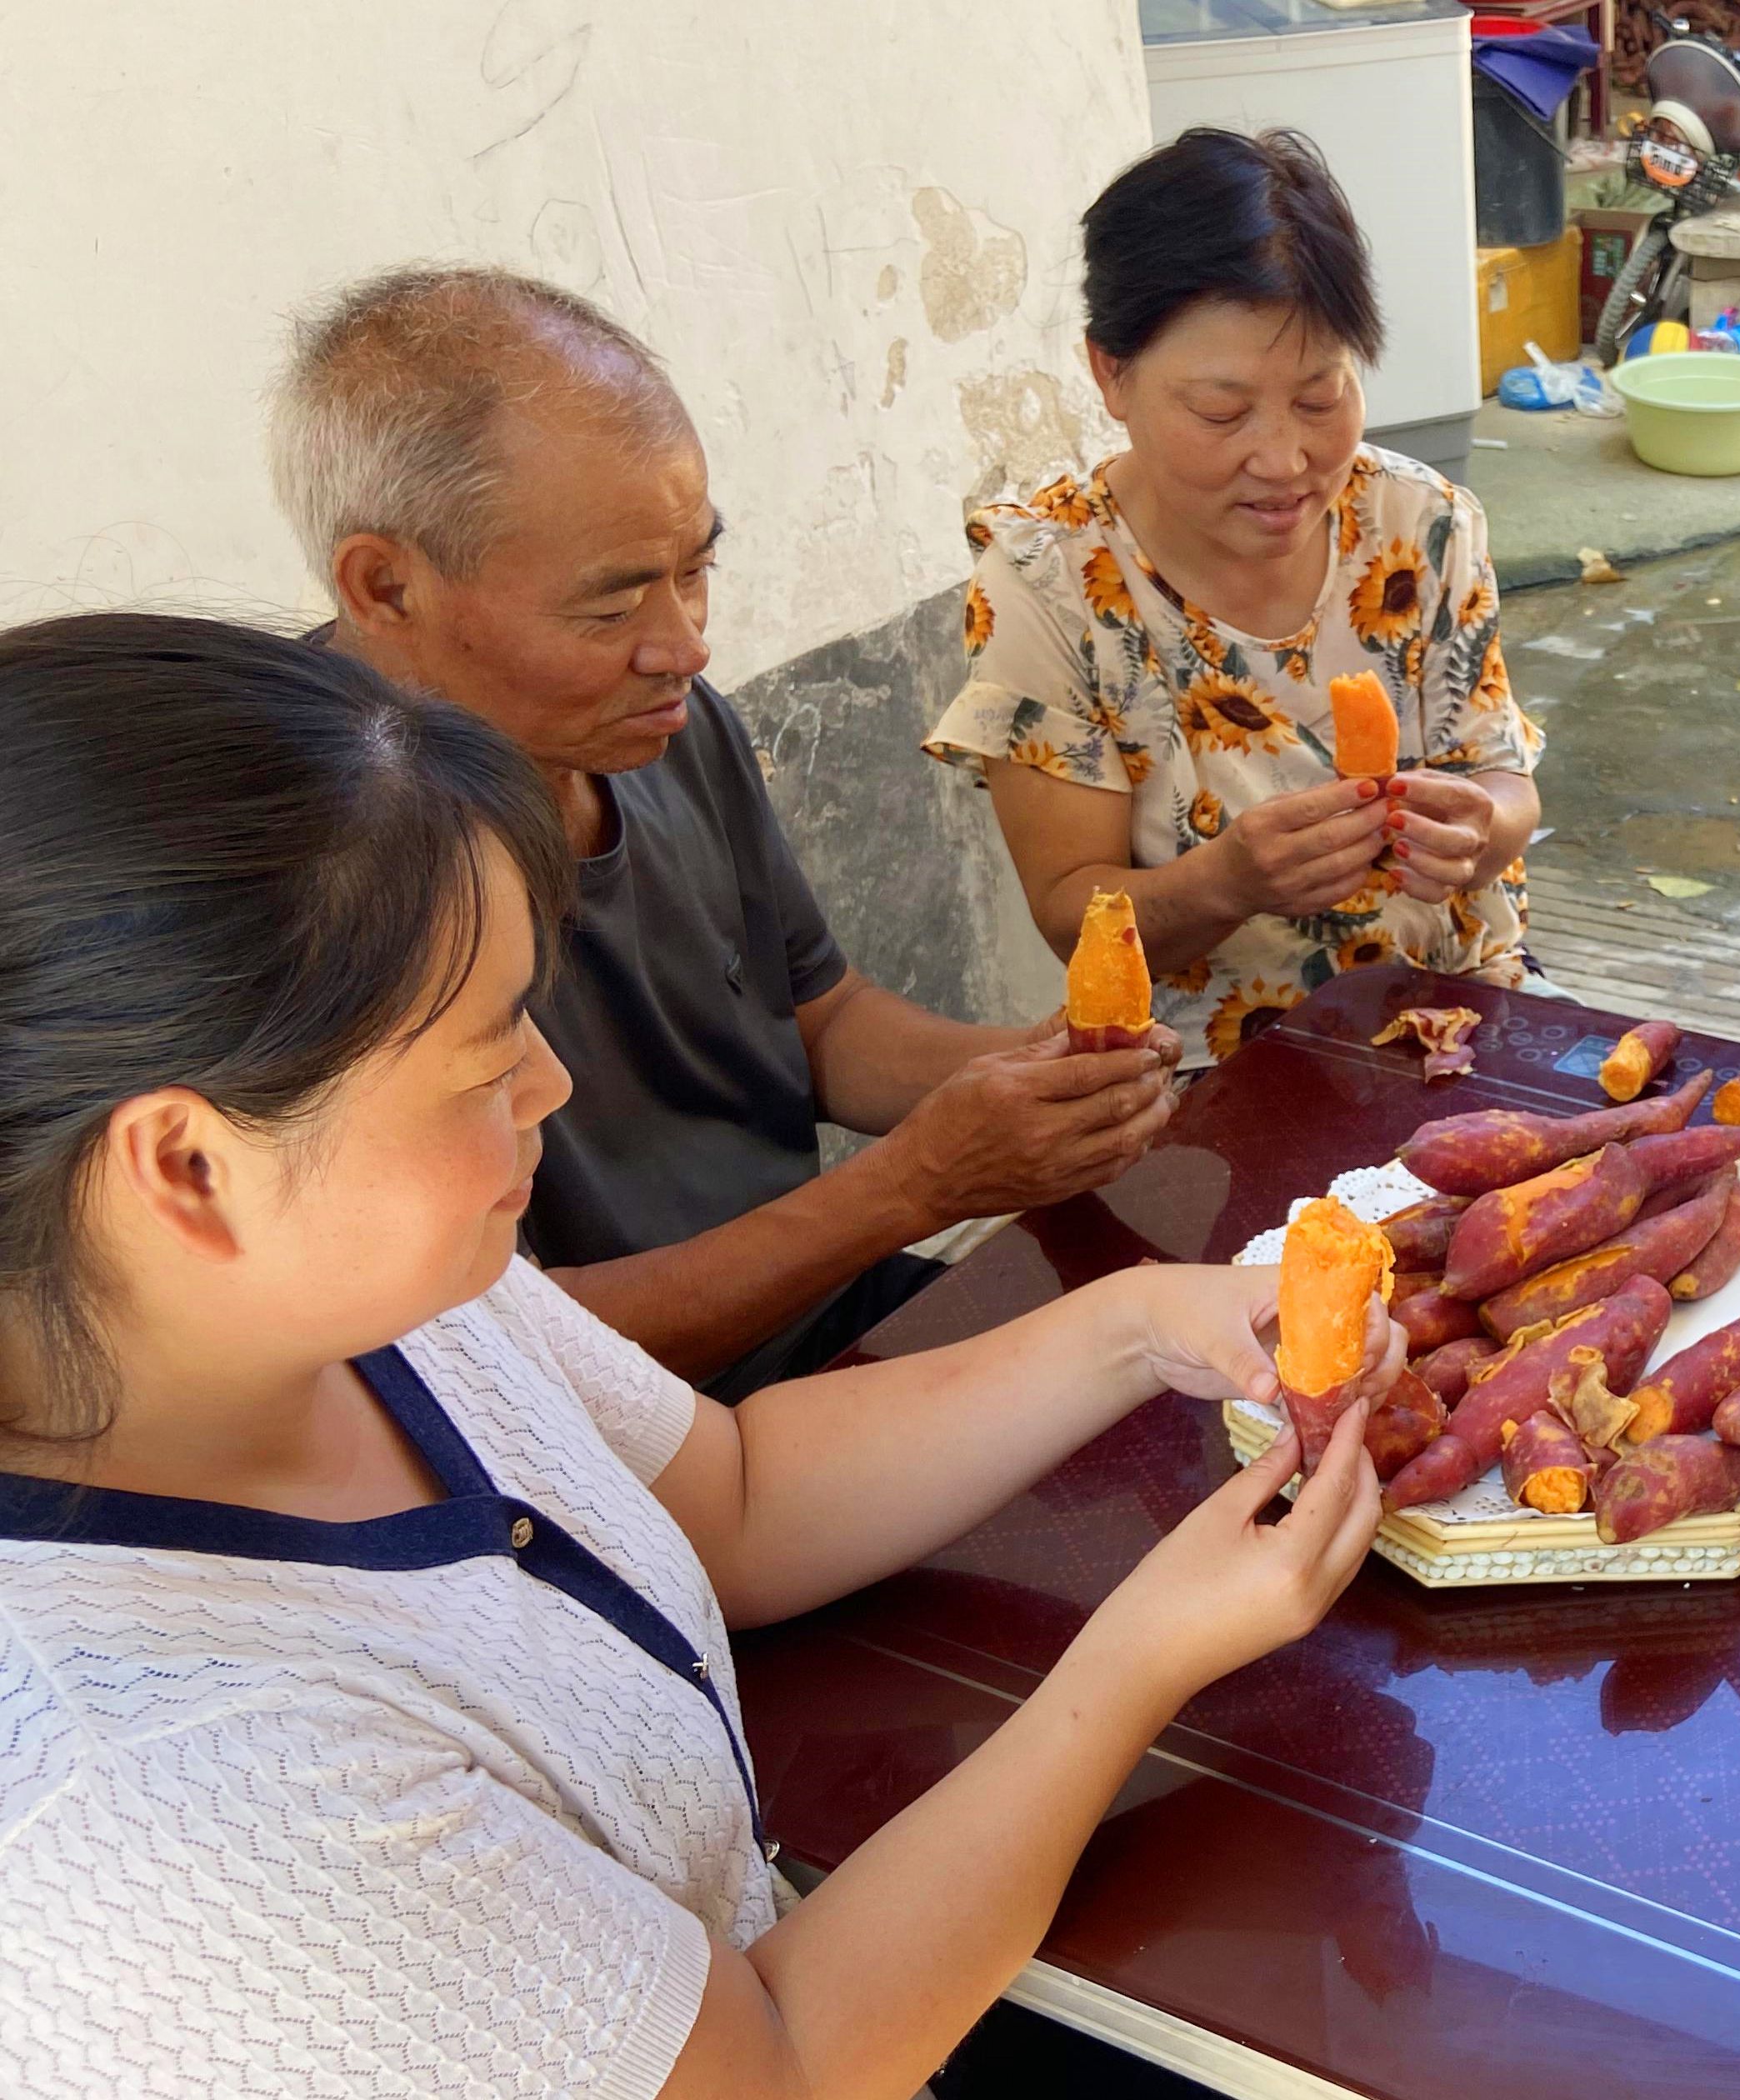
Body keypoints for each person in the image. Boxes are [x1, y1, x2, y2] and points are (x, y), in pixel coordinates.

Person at [0, 612, 1394, 2098]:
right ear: (188, 1169)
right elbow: (783, 2070)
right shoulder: (180, 1806)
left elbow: (728, 1495)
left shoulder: (366, 1294)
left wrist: (1132, 1329)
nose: (552, 1082)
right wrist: (1138, 1656)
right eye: (486, 1062)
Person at [279, 267, 1180, 1399]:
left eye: (696, 570)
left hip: (824, 1321)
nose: (684, 646)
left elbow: (822, 1022)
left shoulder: (665, 726)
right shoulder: (319, 873)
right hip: (627, 1443)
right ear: (386, 587)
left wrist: (1050, 1078)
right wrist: (913, 1185)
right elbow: (494, 1372)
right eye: (610, 607)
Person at [928, 128, 1543, 1064]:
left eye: (1320, 395)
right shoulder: (1052, 584)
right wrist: (1226, 881)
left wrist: (1481, 829)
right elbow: (1071, 916)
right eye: (1222, 411)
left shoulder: (1423, 524)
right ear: (1111, 375)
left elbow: (1503, 779)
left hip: (1460, 1022)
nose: (1285, 461)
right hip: (1211, 1076)